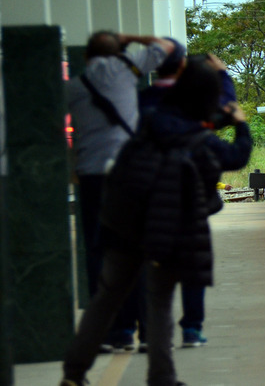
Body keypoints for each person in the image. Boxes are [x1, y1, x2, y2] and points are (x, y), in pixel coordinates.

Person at [61, 56, 253, 386]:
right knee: (160, 304)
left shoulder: (146, 121)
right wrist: (241, 123)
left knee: (105, 301)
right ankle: (162, 377)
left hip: (125, 226)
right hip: (170, 233)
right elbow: (237, 157)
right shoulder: (202, 140)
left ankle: (74, 374)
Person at [67, 31, 176, 350]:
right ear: (117, 54)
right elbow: (168, 46)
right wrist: (130, 36)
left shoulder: (74, 86)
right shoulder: (128, 68)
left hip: (93, 177)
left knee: (99, 253)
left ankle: (114, 332)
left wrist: (72, 162)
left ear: (86, 57)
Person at [139, 49, 238, 348]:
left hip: (153, 201)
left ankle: (150, 333)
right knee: (192, 266)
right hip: (191, 203)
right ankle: (191, 329)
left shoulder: (144, 101)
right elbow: (227, 109)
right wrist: (222, 74)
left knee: (154, 270)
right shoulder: (194, 103)